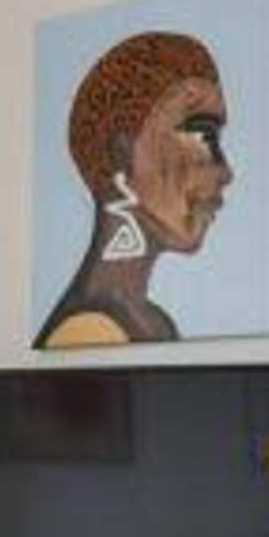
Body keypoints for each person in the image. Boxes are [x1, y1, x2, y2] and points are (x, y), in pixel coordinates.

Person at [33, 29, 231, 349]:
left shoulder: (154, 323)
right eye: (203, 135)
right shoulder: (91, 332)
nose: (225, 172)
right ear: (121, 155)